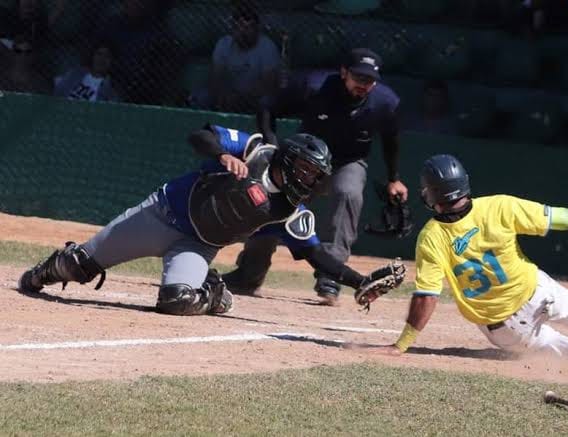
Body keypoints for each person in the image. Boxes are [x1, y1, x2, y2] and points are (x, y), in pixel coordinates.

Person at [17, 126, 405, 315]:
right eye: (306, 169)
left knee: (177, 302)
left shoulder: (290, 211)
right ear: (289, 159)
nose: (311, 179)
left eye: (316, 174)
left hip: (198, 243)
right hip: (162, 212)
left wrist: (359, 281)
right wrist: (222, 154)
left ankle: (213, 292)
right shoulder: (255, 151)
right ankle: (41, 273)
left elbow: (318, 255)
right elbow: (199, 135)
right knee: (78, 265)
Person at [356, 154, 568, 370]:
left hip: (505, 326)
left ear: (430, 194)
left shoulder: (430, 236)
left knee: (560, 349)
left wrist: (401, 345)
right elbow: (558, 217)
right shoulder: (498, 205)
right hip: (539, 292)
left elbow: (427, 297)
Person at [222, 47, 409, 306]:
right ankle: (248, 275)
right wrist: (271, 145)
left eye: (370, 80)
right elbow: (267, 106)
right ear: (343, 72)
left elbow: (391, 140)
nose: (364, 85)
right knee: (273, 207)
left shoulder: (385, 102)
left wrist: (393, 178)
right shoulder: (314, 86)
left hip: (348, 161)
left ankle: (329, 278)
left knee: (348, 193)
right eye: (359, 77)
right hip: (305, 161)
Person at [189, 3, 280, 114]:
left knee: (266, 101)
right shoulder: (223, 44)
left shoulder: (267, 46)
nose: (242, 32)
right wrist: (224, 94)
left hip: (255, 96)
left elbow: (268, 83)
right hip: (228, 95)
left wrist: (242, 98)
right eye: (238, 27)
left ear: (256, 28)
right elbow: (216, 76)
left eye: (247, 28)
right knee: (200, 97)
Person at [53, 41, 120, 102]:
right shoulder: (76, 73)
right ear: (92, 56)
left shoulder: (111, 89)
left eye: (107, 56)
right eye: (99, 54)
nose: (102, 59)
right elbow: (59, 90)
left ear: (111, 61)